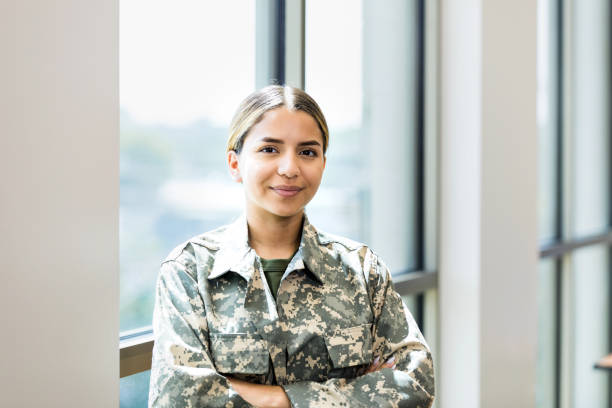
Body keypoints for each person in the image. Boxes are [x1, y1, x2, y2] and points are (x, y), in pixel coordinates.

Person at [148, 85, 435, 407]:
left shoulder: (361, 269)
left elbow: (415, 383)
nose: (289, 168)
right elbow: (179, 399)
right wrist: (354, 392)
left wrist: (270, 399)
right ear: (234, 164)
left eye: (307, 152)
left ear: (323, 164)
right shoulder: (190, 270)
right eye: (270, 149)